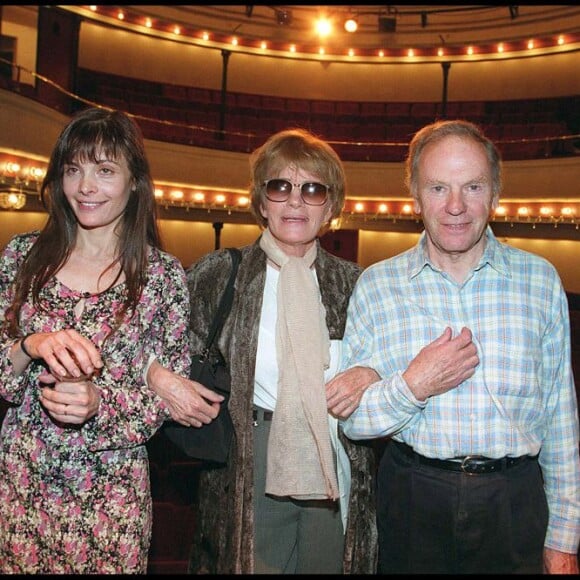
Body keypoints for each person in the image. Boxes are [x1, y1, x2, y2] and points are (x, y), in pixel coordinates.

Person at [333, 119, 580, 574]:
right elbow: (354, 422)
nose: (455, 206)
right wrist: (414, 384)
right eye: (437, 188)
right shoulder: (377, 285)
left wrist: (564, 539)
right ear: (415, 197)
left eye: (472, 186)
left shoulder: (540, 280)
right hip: (412, 497)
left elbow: (560, 420)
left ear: (495, 194)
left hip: (514, 502)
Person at [147, 128, 378, 574]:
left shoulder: (355, 285)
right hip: (247, 457)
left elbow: (387, 362)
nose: (295, 201)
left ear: (330, 206)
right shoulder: (218, 275)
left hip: (332, 454)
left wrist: (371, 375)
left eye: (312, 189)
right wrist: (158, 376)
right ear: (261, 201)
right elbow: (150, 340)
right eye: (280, 186)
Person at [0, 107, 191, 574]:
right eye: (73, 170)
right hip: (24, 480)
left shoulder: (162, 277)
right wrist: (31, 344)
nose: (86, 187)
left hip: (113, 494)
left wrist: (99, 403)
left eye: (105, 170)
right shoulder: (21, 257)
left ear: (134, 181)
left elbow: (168, 399)